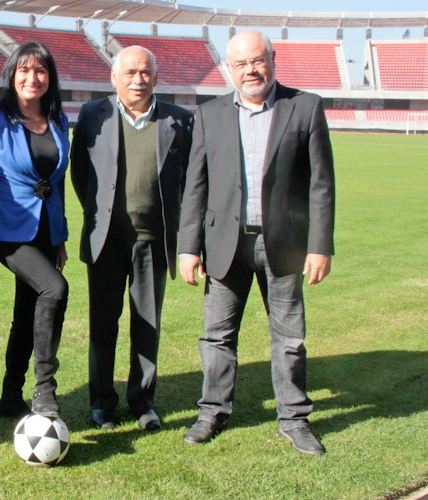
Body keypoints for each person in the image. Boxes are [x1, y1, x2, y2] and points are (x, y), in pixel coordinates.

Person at [178, 30, 335, 455]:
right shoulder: (208, 115)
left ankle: (294, 419)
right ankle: (212, 411)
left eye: (258, 60)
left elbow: (322, 184)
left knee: (289, 337)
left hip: (284, 245)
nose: (251, 70)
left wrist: (320, 245)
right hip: (224, 245)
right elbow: (196, 187)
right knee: (217, 336)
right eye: (241, 63)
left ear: (272, 59)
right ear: (230, 69)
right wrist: (188, 248)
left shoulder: (304, 107)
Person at [70, 46, 194, 431]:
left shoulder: (180, 120)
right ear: (114, 78)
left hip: (153, 242)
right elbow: (80, 174)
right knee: (103, 325)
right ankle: (102, 404)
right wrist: (100, 215)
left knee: (147, 325)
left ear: (156, 78)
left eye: (145, 73)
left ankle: (142, 402)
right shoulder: (94, 115)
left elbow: (190, 183)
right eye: (130, 72)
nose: (138, 79)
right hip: (105, 240)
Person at [0, 42, 70, 419]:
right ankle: (45, 389)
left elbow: (56, 183)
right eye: (24, 70)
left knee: (27, 310)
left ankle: (11, 396)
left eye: (40, 71)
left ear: (49, 78)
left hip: (45, 230)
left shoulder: (58, 120)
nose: (32, 78)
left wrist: (59, 236)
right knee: (55, 289)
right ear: (12, 74)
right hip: (5, 230)